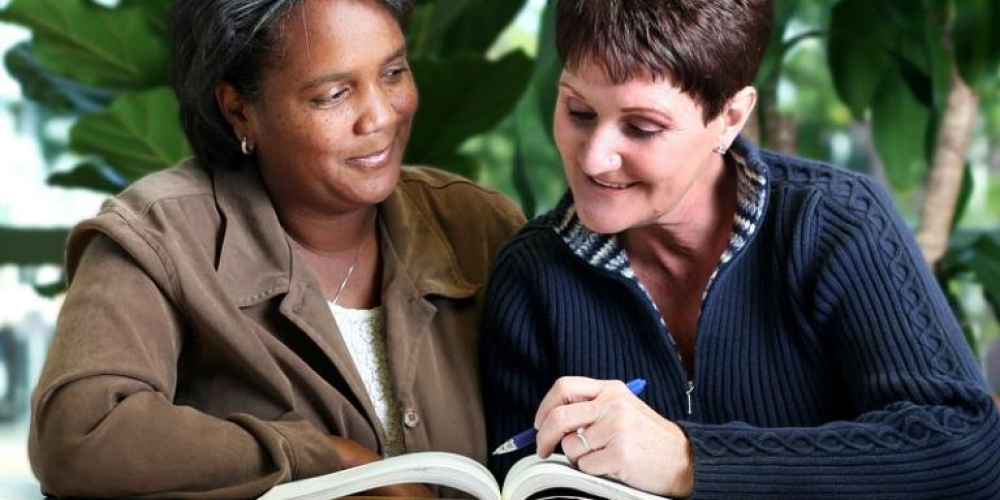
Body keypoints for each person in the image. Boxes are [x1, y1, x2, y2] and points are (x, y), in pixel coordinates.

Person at [480, 0, 1000, 498]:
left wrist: (688, 460)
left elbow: (968, 454)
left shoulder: (835, 223)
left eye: (642, 127)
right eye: (579, 111)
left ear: (730, 118)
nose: (594, 159)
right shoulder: (532, 274)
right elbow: (521, 482)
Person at [28, 0, 524, 497]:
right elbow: (79, 435)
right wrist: (325, 460)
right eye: (333, 95)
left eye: (393, 72)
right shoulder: (158, 240)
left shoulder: (477, 224)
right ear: (239, 110)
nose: (380, 116)